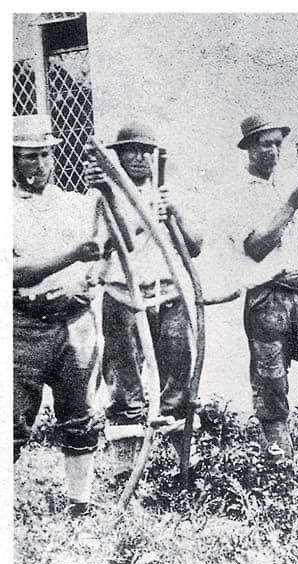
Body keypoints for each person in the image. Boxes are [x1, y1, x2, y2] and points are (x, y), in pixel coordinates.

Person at [86, 122, 203, 481]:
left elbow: (194, 247)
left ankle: (184, 464)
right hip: (123, 296)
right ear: (118, 156)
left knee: (178, 376)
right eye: (130, 151)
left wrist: (175, 214)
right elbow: (117, 245)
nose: (138, 158)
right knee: (124, 382)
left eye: (144, 151)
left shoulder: (165, 192)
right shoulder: (103, 196)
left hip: (168, 295)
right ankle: (126, 467)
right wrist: (113, 198)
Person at [13, 114, 105, 517]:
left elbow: (109, 247)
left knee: (81, 416)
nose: (41, 166)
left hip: (74, 322)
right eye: (30, 157)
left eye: (46, 155)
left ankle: (79, 507)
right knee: (12, 420)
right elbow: (16, 272)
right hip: (24, 324)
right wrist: (72, 256)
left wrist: (92, 279)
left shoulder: (74, 204)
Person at [230, 114, 298, 459]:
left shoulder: (286, 182)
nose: (273, 150)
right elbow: (256, 247)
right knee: (271, 387)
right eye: (264, 143)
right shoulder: (238, 192)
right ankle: (278, 467)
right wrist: (290, 204)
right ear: (249, 148)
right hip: (266, 302)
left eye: (277, 143)